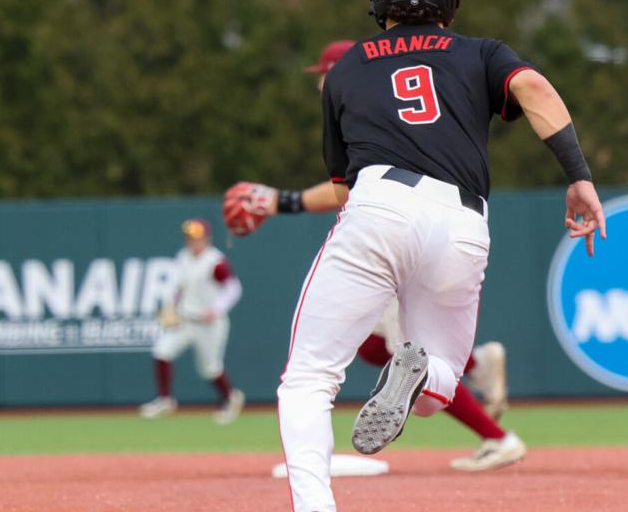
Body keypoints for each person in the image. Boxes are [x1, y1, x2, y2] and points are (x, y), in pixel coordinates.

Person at [273, 0, 606, 511]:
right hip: (461, 221)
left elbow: (339, 187)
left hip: (377, 205)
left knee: (308, 378)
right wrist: (577, 174)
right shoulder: (481, 52)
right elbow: (530, 86)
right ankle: (420, 375)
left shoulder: (348, 67)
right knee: (438, 386)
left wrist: (283, 202)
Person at [225, 40, 527, 472]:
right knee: (376, 348)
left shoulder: (356, 93)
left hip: (389, 240)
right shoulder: (392, 90)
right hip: (435, 227)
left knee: (405, 362)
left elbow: (343, 189)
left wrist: (281, 201)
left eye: (322, 74)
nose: (320, 84)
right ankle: (479, 368)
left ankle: (498, 437)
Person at [139, 219, 247, 425]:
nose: (193, 242)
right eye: (189, 238)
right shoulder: (183, 257)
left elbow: (233, 288)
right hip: (186, 319)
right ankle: (165, 399)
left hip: (209, 324)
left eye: (197, 238)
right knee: (162, 351)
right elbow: (178, 287)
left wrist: (216, 309)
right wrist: (171, 308)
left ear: (207, 238)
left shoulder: (215, 261)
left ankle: (231, 397)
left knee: (210, 369)